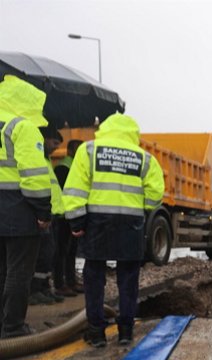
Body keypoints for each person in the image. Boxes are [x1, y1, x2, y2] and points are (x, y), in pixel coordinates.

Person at [63, 113, 164, 347]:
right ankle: (126, 331)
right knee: (128, 278)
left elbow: (75, 189)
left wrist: (77, 222)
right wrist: (142, 208)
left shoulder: (89, 151)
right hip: (130, 223)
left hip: (97, 222)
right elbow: (155, 195)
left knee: (94, 276)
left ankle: (97, 333)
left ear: (105, 129)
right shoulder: (144, 158)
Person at [0, 75, 52, 338]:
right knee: (18, 272)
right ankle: (12, 327)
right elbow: (34, 176)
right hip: (17, 211)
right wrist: (43, 211)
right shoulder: (22, 126)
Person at [29, 126, 65, 305]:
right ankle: (34, 290)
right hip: (43, 214)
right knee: (42, 254)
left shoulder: (47, 159)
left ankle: (44, 288)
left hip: (53, 214)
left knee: (50, 254)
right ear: (45, 139)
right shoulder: (36, 157)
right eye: (54, 143)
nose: (56, 148)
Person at [53, 139, 84, 296]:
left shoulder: (76, 167)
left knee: (71, 250)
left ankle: (71, 281)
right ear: (70, 151)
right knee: (61, 250)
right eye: (78, 150)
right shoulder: (63, 167)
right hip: (64, 215)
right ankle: (60, 284)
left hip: (74, 214)